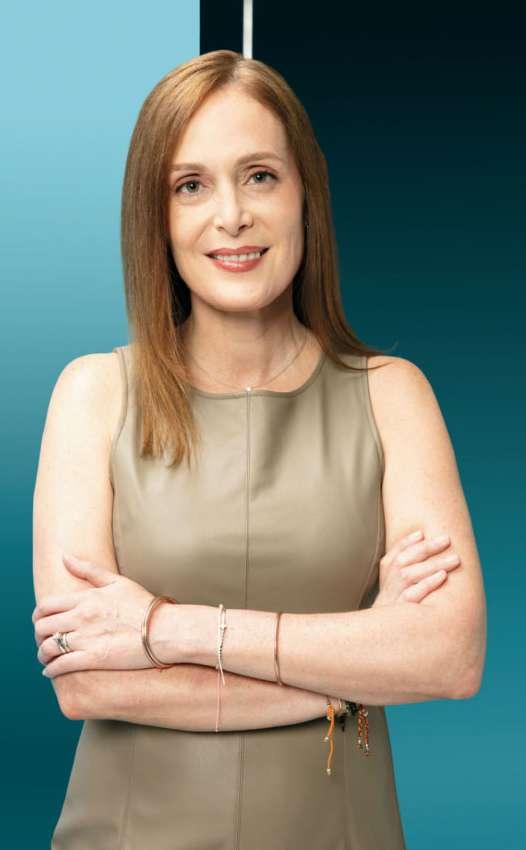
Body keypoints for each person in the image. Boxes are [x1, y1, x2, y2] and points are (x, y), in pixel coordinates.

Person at [32, 50, 486, 850]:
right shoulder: (92, 393)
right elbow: (88, 681)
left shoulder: (393, 394)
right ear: (154, 216)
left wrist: (163, 629)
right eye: (190, 185)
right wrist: (350, 675)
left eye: (261, 176)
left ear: (306, 194)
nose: (232, 216)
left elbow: (449, 657)